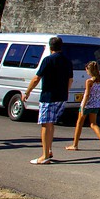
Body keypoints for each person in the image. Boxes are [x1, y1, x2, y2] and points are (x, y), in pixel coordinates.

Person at [22, 36, 73, 164]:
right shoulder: (67, 61)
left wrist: (27, 92)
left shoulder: (48, 60)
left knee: (45, 124)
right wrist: (65, 92)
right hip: (61, 96)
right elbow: (70, 80)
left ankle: (44, 156)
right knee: (51, 124)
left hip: (49, 96)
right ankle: (48, 150)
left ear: (50, 47)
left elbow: (36, 78)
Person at [65, 60, 100, 153]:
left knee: (79, 123)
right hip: (96, 104)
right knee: (93, 124)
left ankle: (75, 144)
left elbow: (87, 94)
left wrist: (83, 105)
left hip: (88, 104)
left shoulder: (89, 81)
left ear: (90, 70)